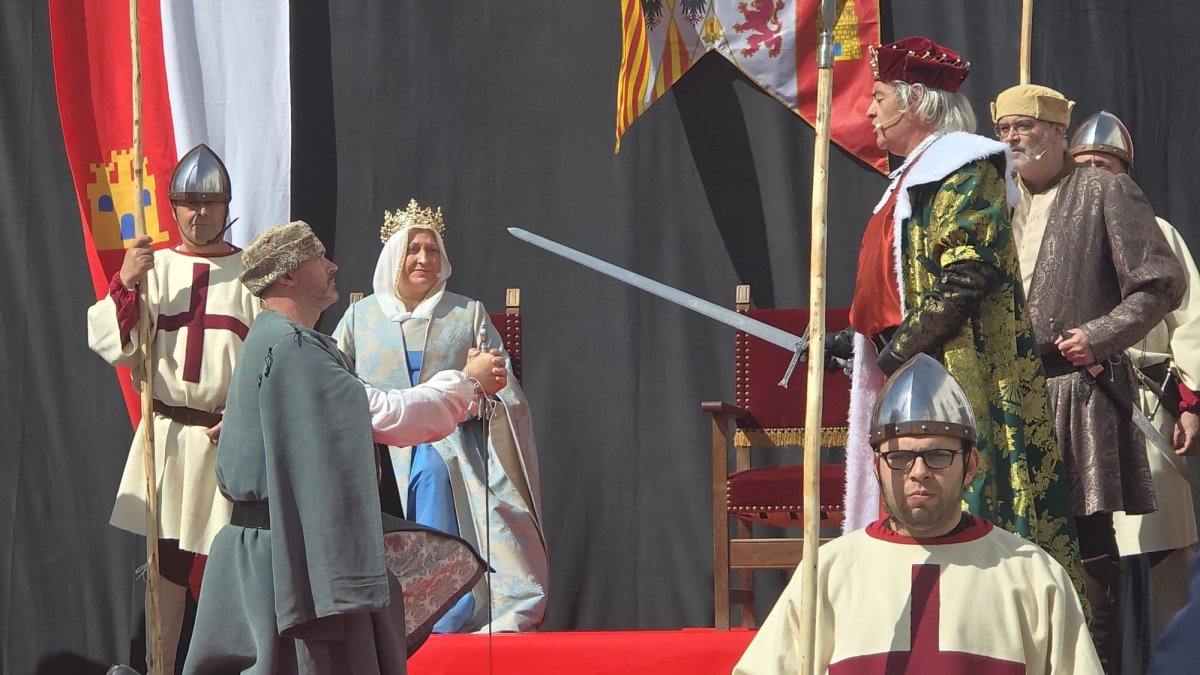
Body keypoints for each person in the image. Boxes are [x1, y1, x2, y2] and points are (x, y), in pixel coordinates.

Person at [182, 221, 496, 674]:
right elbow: (387, 414)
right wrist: (468, 383)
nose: (332, 266)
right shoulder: (292, 349)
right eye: (319, 258)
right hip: (289, 560)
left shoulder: (277, 342)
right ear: (288, 275)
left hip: (278, 550)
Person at [832, 37, 1082, 593]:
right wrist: (854, 340)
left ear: (916, 100)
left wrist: (899, 348)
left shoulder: (963, 167)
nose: (868, 111)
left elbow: (968, 273)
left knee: (963, 507)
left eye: (877, 97)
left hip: (954, 371)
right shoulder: (908, 179)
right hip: (911, 369)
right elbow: (894, 284)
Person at [733, 354, 1101, 674]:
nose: (919, 471)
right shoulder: (828, 572)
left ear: (970, 465)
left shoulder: (1031, 574)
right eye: (900, 457)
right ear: (876, 467)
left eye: (938, 455)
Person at [993, 84, 1187, 672]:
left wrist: (1100, 334)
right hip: (1007, 392)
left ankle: (1092, 666)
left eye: (1025, 127)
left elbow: (1160, 282)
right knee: (1010, 539)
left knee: (1085, 538)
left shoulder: (1102, 188)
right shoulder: (995, 201)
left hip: (1078, 390)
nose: (1013, 138)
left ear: (1057, 133)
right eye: (1004, 129)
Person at [333, 199, 548, 633]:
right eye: (413, 249)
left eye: (432, 250)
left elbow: (505, 393)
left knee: (432, 467)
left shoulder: (467, 313)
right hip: (374, 445)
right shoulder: (359, 317)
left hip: (451, 446)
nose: (424, 259)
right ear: (393, 255)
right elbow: (333, 383)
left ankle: (445, 606)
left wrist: (483, 391)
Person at [87, 144, 260, 673]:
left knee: (233, 567)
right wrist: (128, 282)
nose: (199, 213)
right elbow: (117, 346)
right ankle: (160, 669)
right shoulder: (154, 266)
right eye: (189, 203)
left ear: (225, 206)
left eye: (209, 203)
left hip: (227, 441)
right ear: (174, 206)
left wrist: (248, 417)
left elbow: (272, 358)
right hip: (169, 440)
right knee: (167, 569)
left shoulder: (253, 272)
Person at [1070, 110, 1200, 661]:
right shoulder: (1049, 237)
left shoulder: (1157, 232)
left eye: (1104, 165)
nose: (1094, 175)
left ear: (1125, 172)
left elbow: (1192, 319)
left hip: (1142, 406)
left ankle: (1177, 659)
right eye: (1084, 167)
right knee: (1086, 556)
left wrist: (1192, 402)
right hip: (1073, 409)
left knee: (1164, 550)